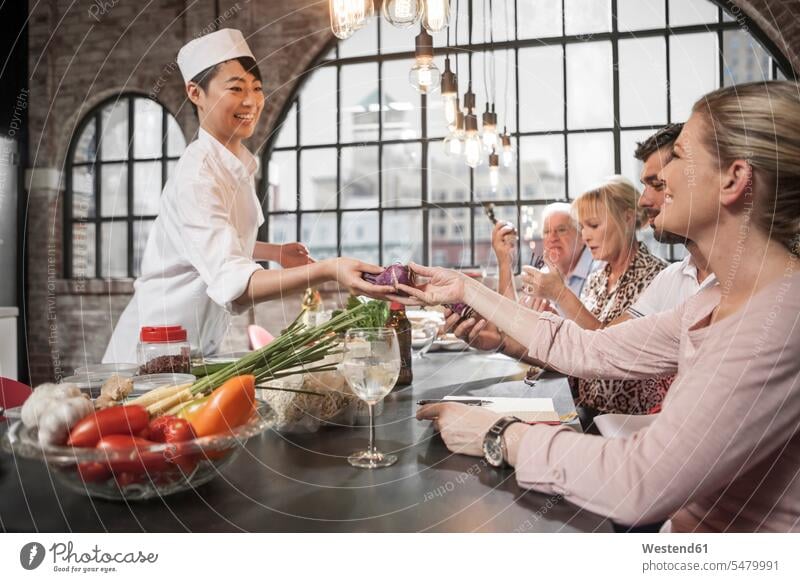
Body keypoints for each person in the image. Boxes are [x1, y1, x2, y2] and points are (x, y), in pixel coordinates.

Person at [396, 81, 800, 532]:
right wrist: (466, 289)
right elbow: (590, 349)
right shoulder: (715, 297)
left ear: (733, 178)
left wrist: (497, 435)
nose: (659, 180)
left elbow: (636, 482)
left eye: (681, 156)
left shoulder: (776, 319)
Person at [103, 30, 392, 364]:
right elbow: (233, 281)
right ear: (195, 93)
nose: (251, 101)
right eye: (236, 88)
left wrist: (275, 252)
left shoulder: (236, 165)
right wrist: (329, 270)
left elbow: (214, 238)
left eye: (256, 88)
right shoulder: (197, 176)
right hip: (150, 354)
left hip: (194, 348)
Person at [464, 205, 598, 364]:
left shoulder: (599, 271)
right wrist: (504, 260)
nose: (552, 237)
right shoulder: (544, 272)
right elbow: (513, 323)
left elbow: (595, 343)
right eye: (547, 232)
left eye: (561, 230)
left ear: (581, 237)